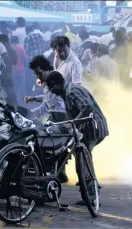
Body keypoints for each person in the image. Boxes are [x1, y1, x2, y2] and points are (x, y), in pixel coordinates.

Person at [44, 71, 109, 204]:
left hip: (93, 127)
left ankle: (91, 195)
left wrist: (73, 123)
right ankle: (88, 193)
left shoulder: (72, 92)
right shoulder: (68, 92)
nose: (52, 92)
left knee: (84, 161)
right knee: (83, 160)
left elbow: (87, 107)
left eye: (51, 88)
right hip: (89, 128)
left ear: (55, 84)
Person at [24, 55, 66, 119]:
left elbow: (47, 106)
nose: (38, 77)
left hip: (61, 116)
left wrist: (29, 114)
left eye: (40, 73)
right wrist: (34, 98)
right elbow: (47, 99)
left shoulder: (55, 81)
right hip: (54, 115)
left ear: (46, 69)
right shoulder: (45, 81)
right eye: (36, 74)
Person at [0, 34, 18, 106]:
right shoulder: (12, 48)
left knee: (2, 92)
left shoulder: (2, 49)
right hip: (9, 74)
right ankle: (13, 106)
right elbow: (15, 62)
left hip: (2, 74)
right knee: (10, 91)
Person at [11, 36, 29, 101]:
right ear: (17, 41)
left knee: (12, 86)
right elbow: (25, 58)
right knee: (21, 86)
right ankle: (20, 100)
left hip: (10, 70)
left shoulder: (7, 48)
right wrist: (25, 66)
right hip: (20, 70)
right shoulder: (20, 48)